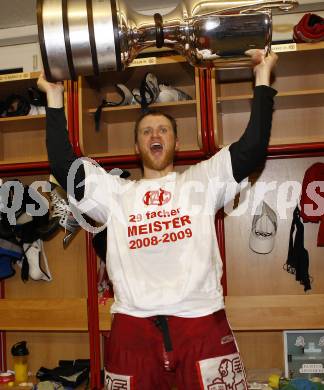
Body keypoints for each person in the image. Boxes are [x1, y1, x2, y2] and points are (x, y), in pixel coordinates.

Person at [38, 49, 278, 390]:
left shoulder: (201, 181)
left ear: (176, 142)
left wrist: (263, 76)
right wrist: (53, 97)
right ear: (137, 146)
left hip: (201, 322)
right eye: (147, 131)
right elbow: (65, 166)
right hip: (132, 329)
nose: (155, 135)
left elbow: (252, 147)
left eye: (163, 130)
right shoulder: (115, 193)